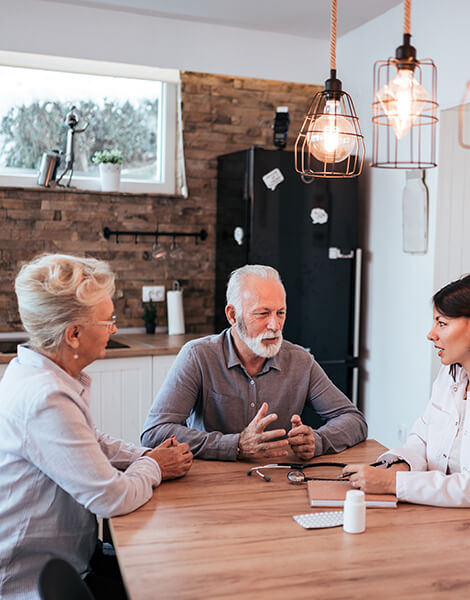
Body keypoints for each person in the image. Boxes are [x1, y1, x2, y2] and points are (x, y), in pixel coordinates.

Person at [0, 254, 193, 600]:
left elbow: (89, 441)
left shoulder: (35, 371)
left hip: (72, 558)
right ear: (74, 334)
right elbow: (110, 498)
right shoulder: (45, 397)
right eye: (107, 321)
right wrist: (154, 466)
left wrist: (145, 454)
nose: (114, 329)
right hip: (38, 581)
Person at [141, 264, 367, 460]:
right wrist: (235, 445)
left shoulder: (300, 361)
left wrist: (318, 441)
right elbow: (154, 432)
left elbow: (354, 420)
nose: (275, 325)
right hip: (211, 484)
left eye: (280, 313)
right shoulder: (198, 356)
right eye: (263, 314)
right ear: (232, 315)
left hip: (279, 480)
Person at [343, 274, 470, 507]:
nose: (431, 334)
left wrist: (394, 483)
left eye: (442, 323)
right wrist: (399, 465)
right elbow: (422, 437)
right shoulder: (450, 375)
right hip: (436, 514)